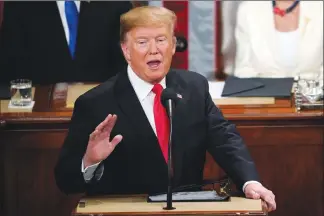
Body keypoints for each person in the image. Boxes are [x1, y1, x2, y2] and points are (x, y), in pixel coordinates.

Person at [54, 6, 276, 212]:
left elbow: (224, 138)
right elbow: (66, 181)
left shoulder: (194, 87)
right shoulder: (96, 103)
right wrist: (90, 161)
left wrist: (250, 182)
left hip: (187, 211)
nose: (154, 50)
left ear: (172, 45)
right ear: (126, 50)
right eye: (142, 42)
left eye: (161, 40)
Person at [0, 1, 133, 84]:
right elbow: (11, 66)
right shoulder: (20, 7)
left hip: (104, 108)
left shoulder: (117, 5)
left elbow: (125, 65)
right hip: (39, 112)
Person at [233, 1, 323, 82]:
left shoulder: (319, 7)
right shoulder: (248, 10)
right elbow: (244, 70)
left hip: (314, 96)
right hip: (264, 96)